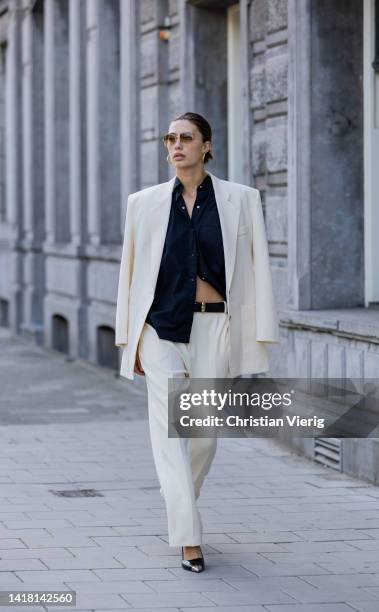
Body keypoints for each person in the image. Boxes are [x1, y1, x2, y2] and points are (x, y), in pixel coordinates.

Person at [115, 112, 279, 572]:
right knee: (171, 436)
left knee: (203, 437)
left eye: (186, 138)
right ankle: (189, 539)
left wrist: (260, 331)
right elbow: (129, 273)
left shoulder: (241, 200)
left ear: (206, 145)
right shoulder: (142, 203)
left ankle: (179, 502)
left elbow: (258, 267)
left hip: (214, 327)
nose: (176, 145)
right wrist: (128, 338)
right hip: (160, 330)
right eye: (170, 138)